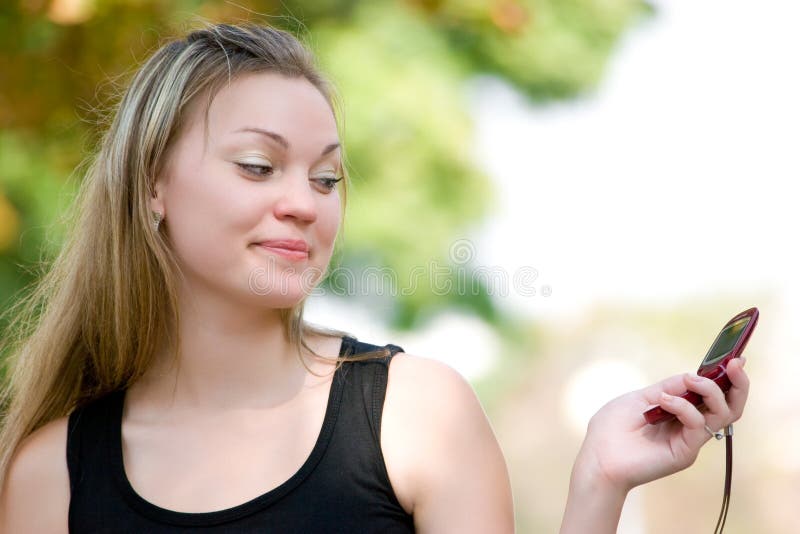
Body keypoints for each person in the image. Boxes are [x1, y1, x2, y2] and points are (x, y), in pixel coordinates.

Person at [0, 22, 749, 533]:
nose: (301, 204)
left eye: (326, 179)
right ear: (152, 187)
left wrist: (600, 481)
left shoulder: (418, 416)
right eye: (259, 167)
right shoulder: (49, 476)